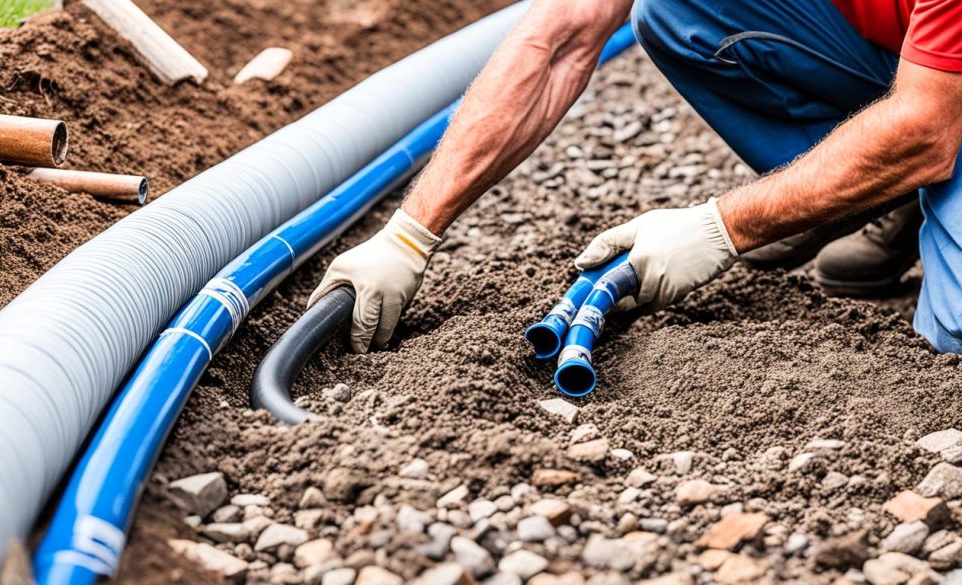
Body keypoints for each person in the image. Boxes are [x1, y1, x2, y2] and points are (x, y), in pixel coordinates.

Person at [308, 0, 962, 354]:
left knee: (952, 329)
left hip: (939, 97)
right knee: (678, 10)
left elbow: (928, 124)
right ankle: (886, 181)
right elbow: (561, 32)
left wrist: (722, 226)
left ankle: (902, 172)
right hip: (923, 62)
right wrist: (410, 233)